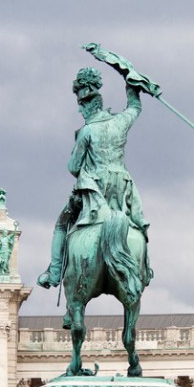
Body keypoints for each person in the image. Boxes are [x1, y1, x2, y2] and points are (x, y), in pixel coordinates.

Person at [38, 67, 149, 289]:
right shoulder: (121, 122)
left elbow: (73, 166)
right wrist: (131, 85)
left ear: (89, 106)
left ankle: (54, 271)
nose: (81, 112)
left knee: (61, 224)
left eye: (82, 108)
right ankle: (145, 269)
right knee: (139, 226)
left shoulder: (88, 131)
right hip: (122, 189)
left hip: (95, 192)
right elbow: (135, 107)